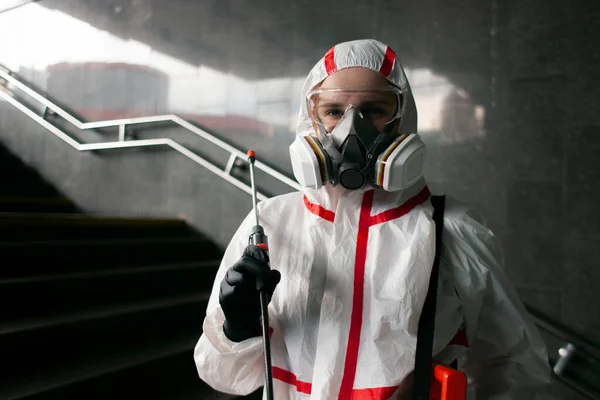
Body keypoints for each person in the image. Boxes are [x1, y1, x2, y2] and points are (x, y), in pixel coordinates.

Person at [194, 39, 550, 399]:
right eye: (333, 111)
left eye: (373, 109)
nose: (352, 127)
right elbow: (222, 373)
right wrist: (238, 327)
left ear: (402, 118)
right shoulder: (271, 224)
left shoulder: (451, 231)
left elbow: (513, 365)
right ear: (311, 120)